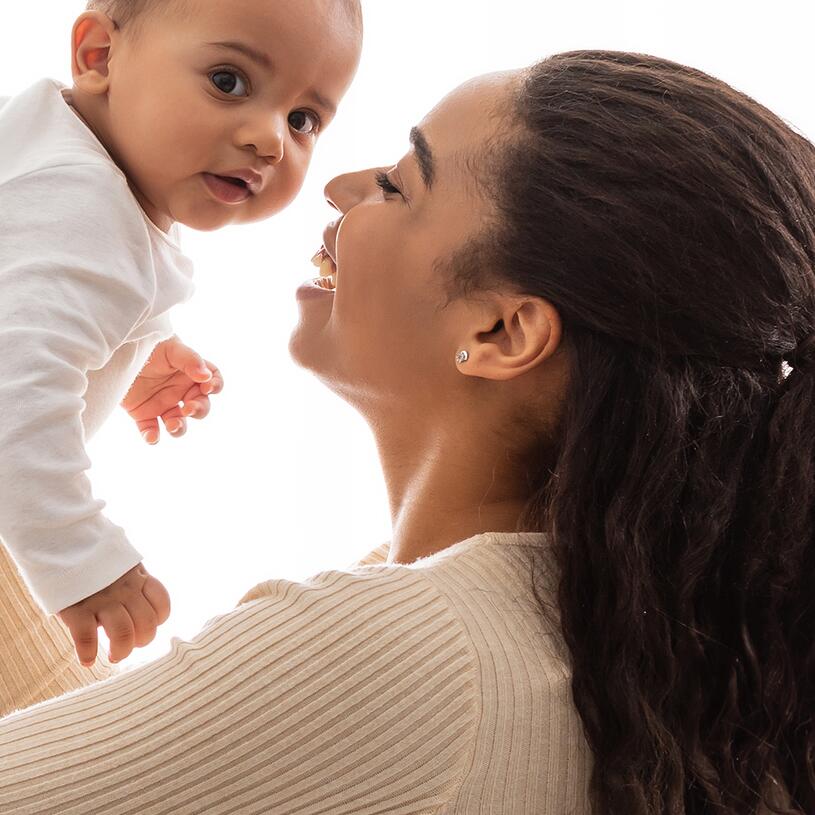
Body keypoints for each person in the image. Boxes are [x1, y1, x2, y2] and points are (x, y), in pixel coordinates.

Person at [1, 48, 813, 815]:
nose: (337, 186)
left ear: (502, 333)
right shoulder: (619, 648)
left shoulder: (406, 653)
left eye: (397, 186)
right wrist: (61, 355)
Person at [0, 0, 361, 668]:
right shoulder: (88, 212)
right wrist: (82, 557)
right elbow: (12, 399)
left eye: (302, 118)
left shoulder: (48, 140)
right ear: (99, 57)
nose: (269, 139)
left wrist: (130, 343)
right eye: (228, 81)